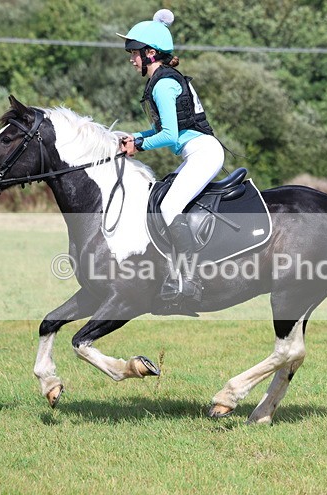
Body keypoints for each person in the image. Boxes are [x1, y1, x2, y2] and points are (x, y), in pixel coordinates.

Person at [117, 9, 224, 309]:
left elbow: (168, 135)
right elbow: (160, 129)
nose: (131, 59)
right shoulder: (162, 80)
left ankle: (190, 280)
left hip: (203, 152)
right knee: (163, 200)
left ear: (150, 54)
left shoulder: (163, 84)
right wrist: (134, 136)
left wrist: (139, 142)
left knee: (169, 205)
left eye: (134, 53)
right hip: (197, 152)